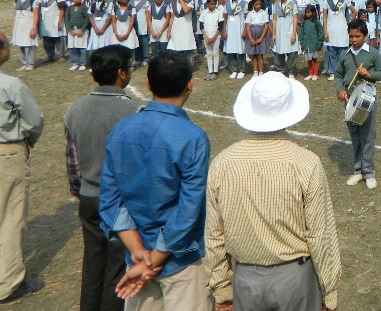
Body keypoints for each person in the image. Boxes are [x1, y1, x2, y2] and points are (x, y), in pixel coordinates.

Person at [205, 71, 340, 311]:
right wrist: (329, 291)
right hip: (295, 279)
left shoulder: (222, 163)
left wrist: (222, 288)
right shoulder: (306, 163)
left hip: (246, 278)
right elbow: (320, 234)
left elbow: (214, 234)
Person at [99, 52, 213, 310]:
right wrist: (155, 258)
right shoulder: (193, 138)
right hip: (181, 262)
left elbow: (110, 199)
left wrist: (138, 251)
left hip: (138, 257)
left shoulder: (122, 129)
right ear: (190, 84)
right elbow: (189, 208)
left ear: (148, 84)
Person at [65, 45, 140, 311]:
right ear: (121, 73)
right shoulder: (133, 112)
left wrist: (80, 190)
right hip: (120, 201)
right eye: (129, 68)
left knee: (93, 262)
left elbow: (72, 159)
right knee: (117, 269)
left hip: (89, 196)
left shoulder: (75, 109)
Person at [0, 32, 45, 303]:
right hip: (6, 153)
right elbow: (33, 120)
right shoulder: (10, 85)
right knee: (10, 218)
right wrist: (29, 140)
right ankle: (8, 283)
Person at [335, 19, 381, 189]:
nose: (354, 40)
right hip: (349, 101)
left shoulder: (373, 53)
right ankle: (358, 171)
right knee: (355, 136)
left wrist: (369, 74)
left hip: (367, 100)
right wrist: (340, 89)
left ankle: (369, 173)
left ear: (365, 36)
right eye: (351, 36)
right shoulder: (344, 54)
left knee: (367, 136)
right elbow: (338, 75)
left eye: (357, 36)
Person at [322, 0, 353, 80]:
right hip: (331, 29)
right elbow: (324, 17)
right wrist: (325, 31)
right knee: (331, 51)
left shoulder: (344, 0)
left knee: (342, 52)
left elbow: (354, 11)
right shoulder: (326, 0)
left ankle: (342, 72)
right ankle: (333, 72)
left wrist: (349, 23)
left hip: (342, 29)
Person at [272, 0, 300, 77]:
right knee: (279, 51)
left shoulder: (292, 3)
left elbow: (295, 19)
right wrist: (273, 34)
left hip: (289, 30)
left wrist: (293, 33)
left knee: (291, 51)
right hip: (279, 32)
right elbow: (274, 19)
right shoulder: (276, 4)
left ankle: (291, 71)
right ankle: (280, 70)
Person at [11, 0, 39, 71]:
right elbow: (15, 15)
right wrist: (13, 27)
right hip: (19, 25)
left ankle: (31, 63)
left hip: (28, 25)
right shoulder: (17, 0)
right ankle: (24, 63)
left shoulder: (33, 1)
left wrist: (34, 28)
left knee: (29, 44)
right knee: (20, 44)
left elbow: (36, 15)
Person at [243, 0, 272, 78]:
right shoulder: (250, 14)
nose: (258, 6)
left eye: (259, 4)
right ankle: (255, 72)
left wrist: (261, 38)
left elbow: (266, 25)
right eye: (256, 4)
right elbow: (247, 26)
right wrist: (251, 38)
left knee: (260, 55)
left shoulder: (263, 13)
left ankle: (261, 72)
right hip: (252, 34)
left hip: (261, 34)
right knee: (253, 55)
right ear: (253, 4)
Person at [199, 0, 223, 81]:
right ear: (207, 4)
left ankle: (215, 72)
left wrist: (214, 37)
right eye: (211, 4)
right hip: (206, 37)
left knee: (215, 53)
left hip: (215, 37)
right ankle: (210, 71)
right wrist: (205, 37)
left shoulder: (218, 13)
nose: (213, 6)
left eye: (214, 4)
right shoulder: (204, 13)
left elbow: (220, 26)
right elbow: (201, 25)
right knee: (209, 53)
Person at [65, 0, 91, 71]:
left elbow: (87, 19)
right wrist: (70, 30)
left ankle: (83, 63)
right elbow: (66, 19)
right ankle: (74, 63)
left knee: (82, 47)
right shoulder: (69, 8)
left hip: (81, 30)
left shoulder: (84, 8)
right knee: (72, 47)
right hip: (72, 30)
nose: (76, 0)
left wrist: (82, 30)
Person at [299, 4, 324, 81]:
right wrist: (302, 43)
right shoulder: (304, 22)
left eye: (309, 12)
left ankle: (315, 74)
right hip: (306, 44)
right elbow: (301, 33)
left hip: (314, 44)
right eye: (306, 12)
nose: (307, 14)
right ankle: (310, 73)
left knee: (314, 59)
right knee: (309, 60)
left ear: (313, 12)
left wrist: (319, 43)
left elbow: (320, 32)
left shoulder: (316, 22)